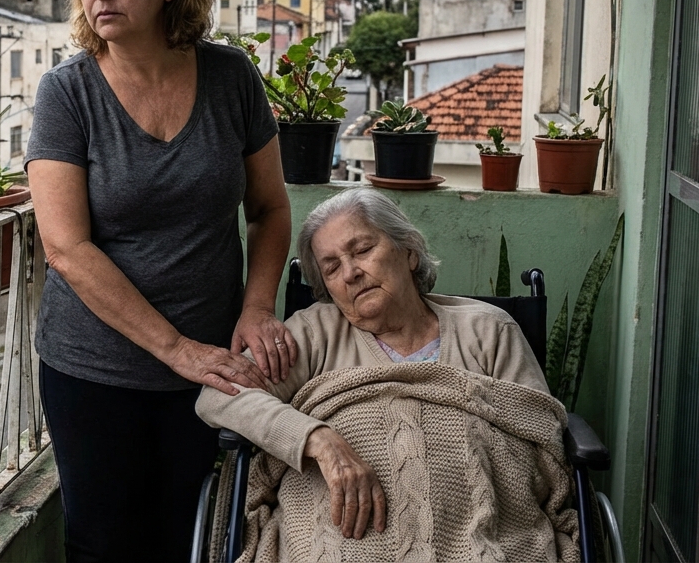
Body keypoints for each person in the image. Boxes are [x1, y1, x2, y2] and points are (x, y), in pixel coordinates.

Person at [25, 0, 295, 562]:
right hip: (95, 370)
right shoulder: (68, 93)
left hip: (211, 366)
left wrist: (258, 308)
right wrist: (175, 348)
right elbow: (65, 247)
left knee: (194, 538)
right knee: (104, 544)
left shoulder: (231, 77)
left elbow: (269, 208)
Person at [196, 187, 562, 545]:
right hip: (340, 537)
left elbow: (538, 439)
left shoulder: (488, 330)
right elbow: (219, 395)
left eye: (363, 250)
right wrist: (317, 438)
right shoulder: (314, 332)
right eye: (332, 267)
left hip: (474, 535)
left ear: (409, 252)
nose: (351, 273)